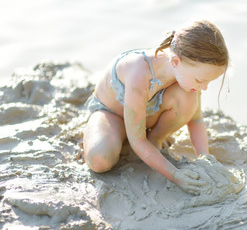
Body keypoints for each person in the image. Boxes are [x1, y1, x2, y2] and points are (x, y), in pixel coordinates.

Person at [83, 20, 229, 195]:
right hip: (112, 114)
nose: (204, 87)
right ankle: (116, 135)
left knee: (188, 96)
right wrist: (176, 175)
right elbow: (137, 140)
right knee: (100, 160)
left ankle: (155, 140)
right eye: (200, 80)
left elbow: (196, 120)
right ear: (175, 61)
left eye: (208, 82)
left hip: (146, 114)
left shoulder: (186, 74)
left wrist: (205, 157)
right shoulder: (139, 73)